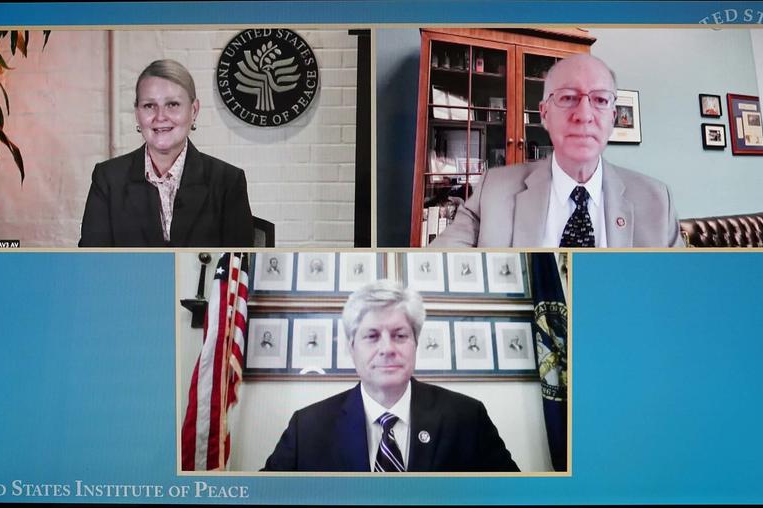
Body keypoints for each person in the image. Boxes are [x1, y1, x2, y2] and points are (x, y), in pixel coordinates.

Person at [262, 280, 519, 472]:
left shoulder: (467, 417)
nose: (387, 348)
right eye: (372, 336)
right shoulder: (307, 427)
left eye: (400, 335)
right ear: (352, 348)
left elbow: (515, 497)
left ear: (416, 342)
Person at [431, 54, 683, 248]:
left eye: (601, 100)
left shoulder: (658, 201)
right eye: (567, 97)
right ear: (544, 114)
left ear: (613, 117)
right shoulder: (493, 191)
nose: (584, 115)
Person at [79, 59, 254, 247]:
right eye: (149, 106)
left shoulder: (228, 181)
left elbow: (237, 266)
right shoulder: (108, 179)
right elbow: (92, 261)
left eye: (172, 104)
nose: (160, 116)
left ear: (193, 111)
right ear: (137, 113)